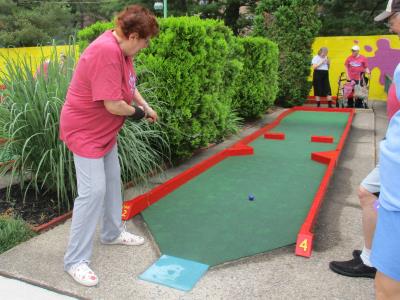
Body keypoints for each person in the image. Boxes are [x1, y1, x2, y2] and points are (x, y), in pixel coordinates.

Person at [59, 5, 159, 287]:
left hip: (103, 131)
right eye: (145, 41)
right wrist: (138, 114)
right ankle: (75, 261)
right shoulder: (105, 51)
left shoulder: (122, 51)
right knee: (93, 192)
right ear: (134, 35)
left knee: (112, 181)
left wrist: (145, 105)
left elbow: (128, 85)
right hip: (85, 130)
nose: (145, 46)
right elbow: (114, 105)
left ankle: (112, 233)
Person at [331, 2, 400, 299]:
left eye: (392, 20)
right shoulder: (351, 60)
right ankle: (374, 256)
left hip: (396, 160)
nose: (390, 26)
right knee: (366, 193)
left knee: (367, 193)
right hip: (393, 150)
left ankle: (374, 259)